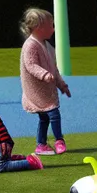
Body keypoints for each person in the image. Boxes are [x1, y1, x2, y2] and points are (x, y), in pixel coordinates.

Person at [19, 8, 71, 155]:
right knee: (53, 113)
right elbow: (30, 65)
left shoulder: (47, 46)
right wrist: (44, 75)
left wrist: (61, 85)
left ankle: (41, 144)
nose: (53, 29)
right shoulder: (30, 45)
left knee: (44, 117)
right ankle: (59, 140)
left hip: (46, 88)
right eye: (51, 26)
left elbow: (54, 68)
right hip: (37, 89)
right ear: (39, 28)